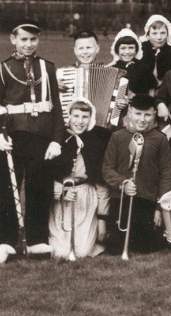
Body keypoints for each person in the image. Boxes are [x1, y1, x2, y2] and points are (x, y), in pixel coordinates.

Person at [0, 19, 64, 261]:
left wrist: (56, 140)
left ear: (38, 40)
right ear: (13, 39)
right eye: (23, 39)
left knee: (39, 188)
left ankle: (36, 240)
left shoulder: (48, 68)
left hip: (41, 137)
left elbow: (57, 109)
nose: (28, 44)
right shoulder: (2, 69)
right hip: (13, 138)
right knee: (6, 189)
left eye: (33, 39)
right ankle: (3, 241)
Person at [102, 94, 171, 254]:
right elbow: (107, 168)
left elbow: (166, 175)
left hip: (146, 201)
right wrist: (123, 183)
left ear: (154, 114)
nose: (142, 119)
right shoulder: (117, 136)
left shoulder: (160, 139)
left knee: (144, 248)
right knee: (115, 247)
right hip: (120, 199)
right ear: (129, 112)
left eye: (147, 115)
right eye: (138, 114)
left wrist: (159, 208)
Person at [47, 98, 110, 259]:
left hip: (85, 198)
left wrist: (102, 218)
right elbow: (44, 175)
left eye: (84, 117)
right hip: (61, 198)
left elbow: (101, 183)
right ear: (68, 117)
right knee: (60, 252)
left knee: (82, 252)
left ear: (91, 119)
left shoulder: (95, 142)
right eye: (76, 116)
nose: (80, 122)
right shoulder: (57, 140)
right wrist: (60, 191)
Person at [106, 28, 157, 98]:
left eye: (131, 48)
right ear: (117, 50)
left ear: (136, 50)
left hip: (140, 106)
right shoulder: (112, 68)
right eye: (123, 48)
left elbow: (152, 91)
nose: (127, 52)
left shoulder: (143, 68)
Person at [138, 14, 171, 86]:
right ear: (148, 34)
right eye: (154, 33)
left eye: (163, 33)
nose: (159, 37)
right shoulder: (141, 49)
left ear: (168, 34)